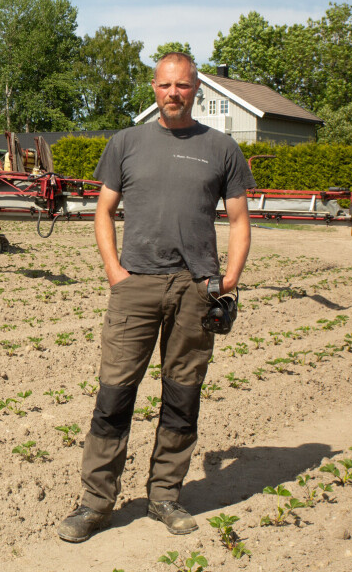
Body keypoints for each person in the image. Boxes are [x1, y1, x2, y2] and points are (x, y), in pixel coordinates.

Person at [57, 52, 255, 543]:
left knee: (183, 395)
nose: (174, 93)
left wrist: (228, 279)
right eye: (166, 85)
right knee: (114, 395)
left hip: (196, 288)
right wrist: (114, 272)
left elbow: (239, 221)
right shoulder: (125, 143)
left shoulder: (222, 148)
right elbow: (103, 211)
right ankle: (95, 503)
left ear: (196, 91)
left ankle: (165, 496)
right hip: (136, 286)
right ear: (153, 87)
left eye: (183, 86)